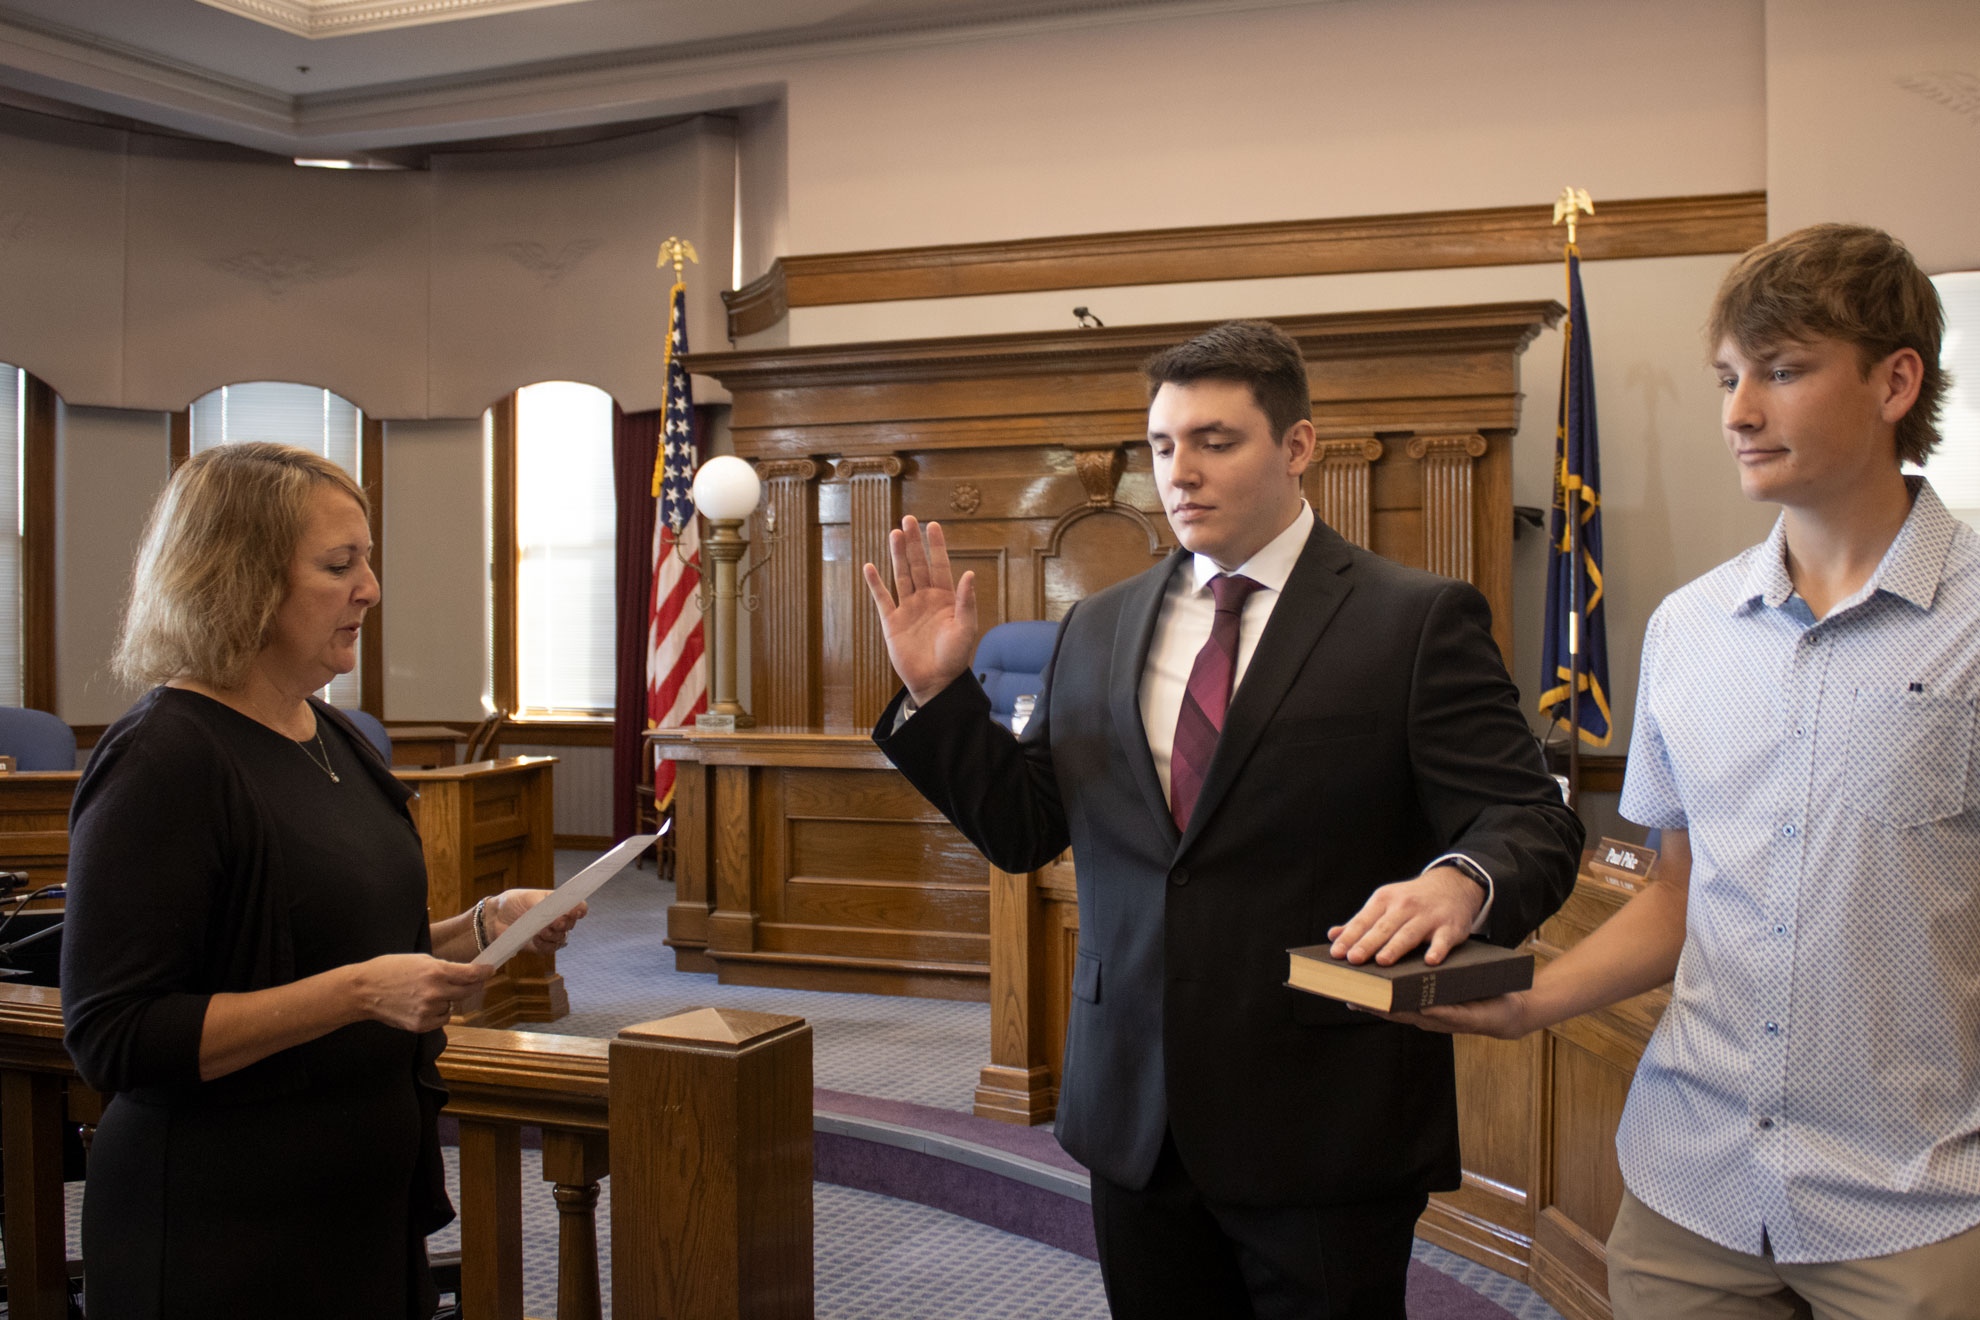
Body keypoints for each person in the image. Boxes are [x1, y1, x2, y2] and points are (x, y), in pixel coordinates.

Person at [863, 319, 1582, 1319]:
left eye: (1215, 441)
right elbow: (1027, 829)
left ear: (1296, 447)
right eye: (1162, 446)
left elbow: (1528, 820)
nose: (1179, 473)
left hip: (1325, 1116)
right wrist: (941, 697)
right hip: (1136, 1116)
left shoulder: (1412, 620)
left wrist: (1461, 878)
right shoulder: (1098, 626)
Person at [1398, 224, 1980, 1319]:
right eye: (1728, 377)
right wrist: (1532, 1002)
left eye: (1785, 370)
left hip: (1923, 1204)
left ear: (1896, 380)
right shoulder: (1686, 628)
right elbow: (1677, 894)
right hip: (1688, 1190)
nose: (1739, 412)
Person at [62, 442, 586, 1319]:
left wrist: (486, 926)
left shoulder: (331, 735)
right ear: (242, 578)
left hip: (357, 1211)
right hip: (216, 1233)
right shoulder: (163, 758)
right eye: (340, 565)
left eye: (368, 561)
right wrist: (352, 996)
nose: (370, 589)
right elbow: (115, 1034)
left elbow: (358, 949)